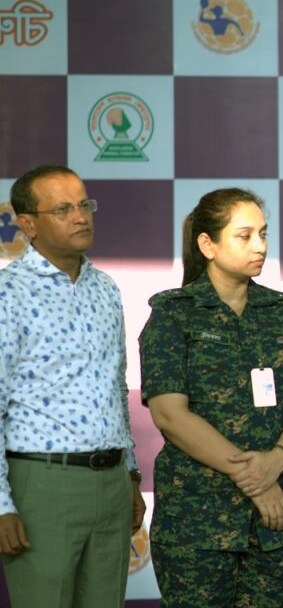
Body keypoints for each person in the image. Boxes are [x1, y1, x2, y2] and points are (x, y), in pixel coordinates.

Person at [139, 188, 283, 606]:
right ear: (208, 245)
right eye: (244, 235)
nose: (260, 246)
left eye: (263, 233)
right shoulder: (174, 313)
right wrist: (254, 479)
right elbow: (170, 415)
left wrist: (277, 459)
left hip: (275, 522)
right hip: (197, 524)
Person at [0, 164, 145, 606]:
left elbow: (116, 387)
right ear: (28, 224)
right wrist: (2, 505)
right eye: (63, 209)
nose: (80, 217)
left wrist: (131, 473)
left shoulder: (106, 288)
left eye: (84, 205)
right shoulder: (8, 292)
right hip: (43, 484)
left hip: (112, 483)